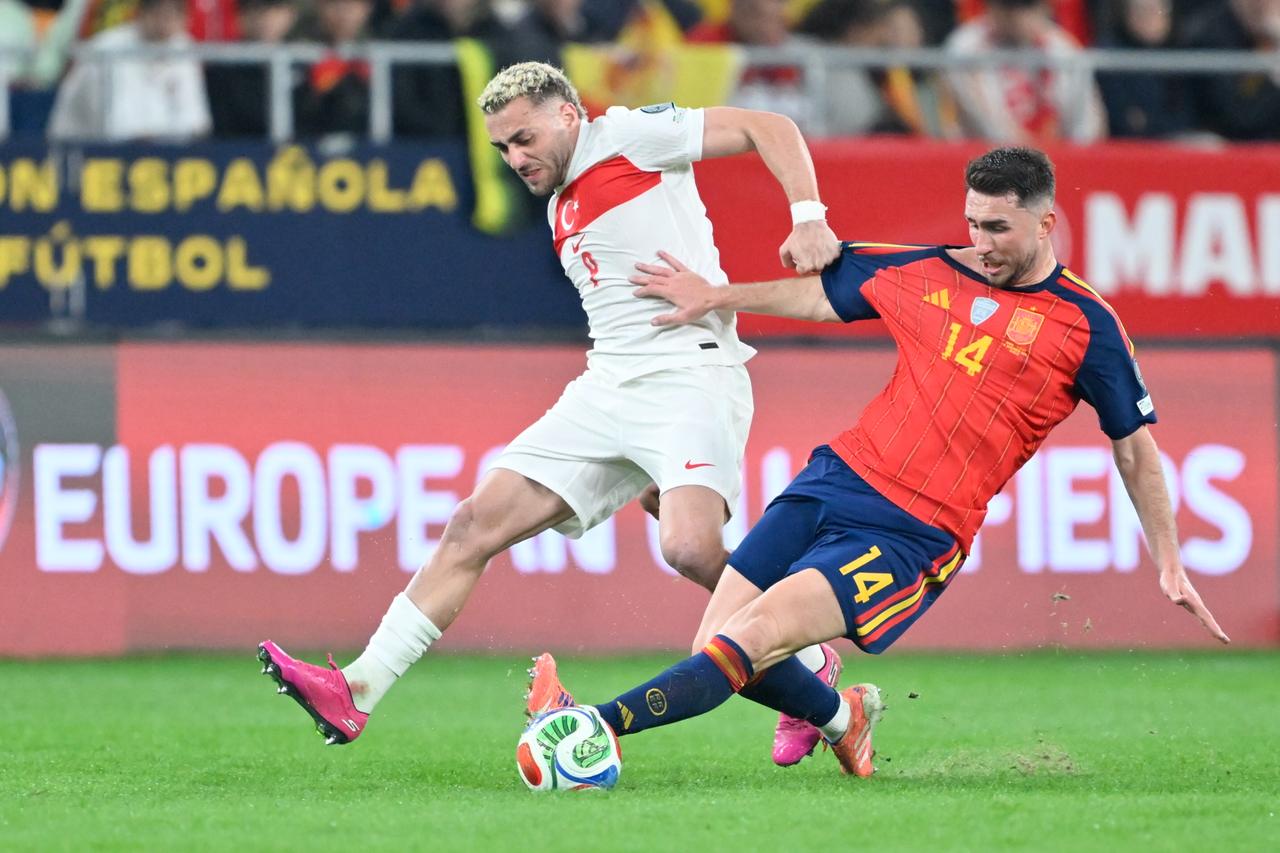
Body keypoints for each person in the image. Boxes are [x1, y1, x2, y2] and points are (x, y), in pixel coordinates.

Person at [525, 146, 1230, 777]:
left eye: (998, 229)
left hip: (912, 531)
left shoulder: (1087, 325)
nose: (979, 243)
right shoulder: (927, 271)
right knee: (714, 641)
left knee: (747, 643)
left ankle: (589, 725)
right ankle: (842, 715)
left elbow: (1135, 448)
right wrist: (718, 296)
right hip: (833, 480)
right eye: (973, 224)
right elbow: (822, 294)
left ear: (1046, 225)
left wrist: (1167, 556)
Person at [259, 62, 847, 766]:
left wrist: (808, 218)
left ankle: (811, 662)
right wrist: (641, 464)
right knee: (471, 524)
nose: (515, 158)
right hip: (609, 386)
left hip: (691, 371)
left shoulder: (629, 135)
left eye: (524, 138)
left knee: (690, 548)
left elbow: (765, 125)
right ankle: (356, 687)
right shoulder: (559, 203)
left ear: (568, 114)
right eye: (502, 148)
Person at [46, 0, 212, 142]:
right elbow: (120, 128)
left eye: (173, 15)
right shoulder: (109, 48)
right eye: (159, 13)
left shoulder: (183, 47)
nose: (165, 23)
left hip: (151, 156)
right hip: (81, 147)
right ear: (141, 14)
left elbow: (196, 123)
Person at [944, 0, 1106, 144]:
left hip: (1057, 161)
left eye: (1027, 5)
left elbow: (1085, 126)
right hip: (984, 163)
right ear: (989, 6)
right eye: (1008, 6)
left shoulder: (1063, 49)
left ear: (1045, 8)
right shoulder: (966, 47)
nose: (1017, 17)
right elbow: (984, 123)